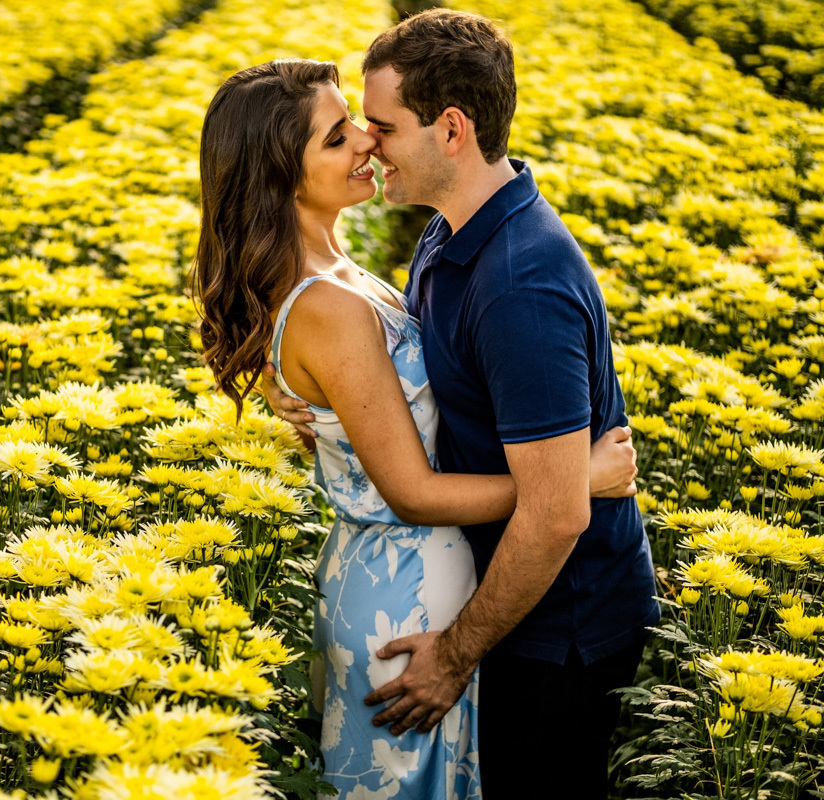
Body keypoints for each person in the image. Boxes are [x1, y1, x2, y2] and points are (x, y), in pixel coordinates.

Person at [193, 56, 640, 799]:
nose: (366, 142)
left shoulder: (343, 267)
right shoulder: (328, 303)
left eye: (365, 125)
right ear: (280, 176)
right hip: (405, 598)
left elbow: (365, 388)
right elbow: (412, 493)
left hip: (410, 584)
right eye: (338, 138)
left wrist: (306, 395)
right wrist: (578, 480)